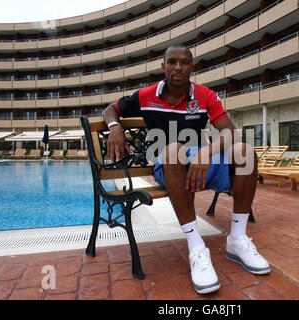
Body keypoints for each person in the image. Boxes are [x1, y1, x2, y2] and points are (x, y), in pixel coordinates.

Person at [102, 44, 270, 294]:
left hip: (200, 163)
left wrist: (206, 152)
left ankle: (237, 239)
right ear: (163, 67)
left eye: (184, 62)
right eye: (172, 62)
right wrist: (115, 127)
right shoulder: (146, 95)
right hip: (168, 165)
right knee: (173, 149)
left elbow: (229, 132)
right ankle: (196, 247)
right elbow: (110, 109)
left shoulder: (205, 95)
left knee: (245, 152)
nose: (177, 67)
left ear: (192, 68)